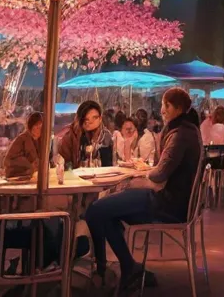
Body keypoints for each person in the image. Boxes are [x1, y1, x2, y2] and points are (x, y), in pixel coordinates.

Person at [84, 87, 201, 293]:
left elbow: (160, 174)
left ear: (178, 109)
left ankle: (103, 270)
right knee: (107, 212)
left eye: (167, 106)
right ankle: (129, 267)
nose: (163, 110)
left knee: (95, 210)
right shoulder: (187, 129)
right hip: (171, 201)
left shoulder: (180, 134)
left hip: (166, 204)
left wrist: (144, 174)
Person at [56, 100, 113, 168]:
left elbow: (110, 163)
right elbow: (64, 163)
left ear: (100, 118)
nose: (91, 122)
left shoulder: (106, 136)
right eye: (86, 119)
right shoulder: (70, 136)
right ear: (80, 119)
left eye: (94, 117)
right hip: (76, 176)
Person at [3, 113, 43, 178]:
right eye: (36, 126)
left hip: (31, 176)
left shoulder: (40, 140)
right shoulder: (22, 138)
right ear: (31, 126)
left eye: (41, 127)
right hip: (16, 176)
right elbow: (7, 161)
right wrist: (28, 165)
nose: (39, 130)